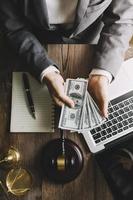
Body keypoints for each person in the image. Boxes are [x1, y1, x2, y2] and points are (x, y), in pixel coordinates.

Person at [0, 0, 133, 117]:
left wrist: (102, 74)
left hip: (90, 41)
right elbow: (14, 28)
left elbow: (121, 19)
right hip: (34, 40)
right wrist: (46, 71)